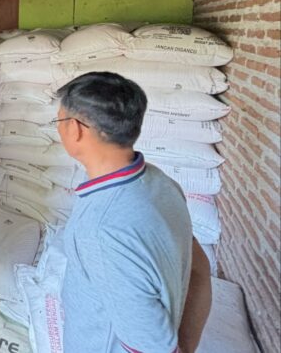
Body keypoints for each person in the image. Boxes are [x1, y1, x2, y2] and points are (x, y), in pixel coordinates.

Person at [54, 72, 211, 353]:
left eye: (59, 121)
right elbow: (200, 269)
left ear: (76, 129)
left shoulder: (103, 231)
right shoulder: (160, 183)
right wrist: (185, 344)